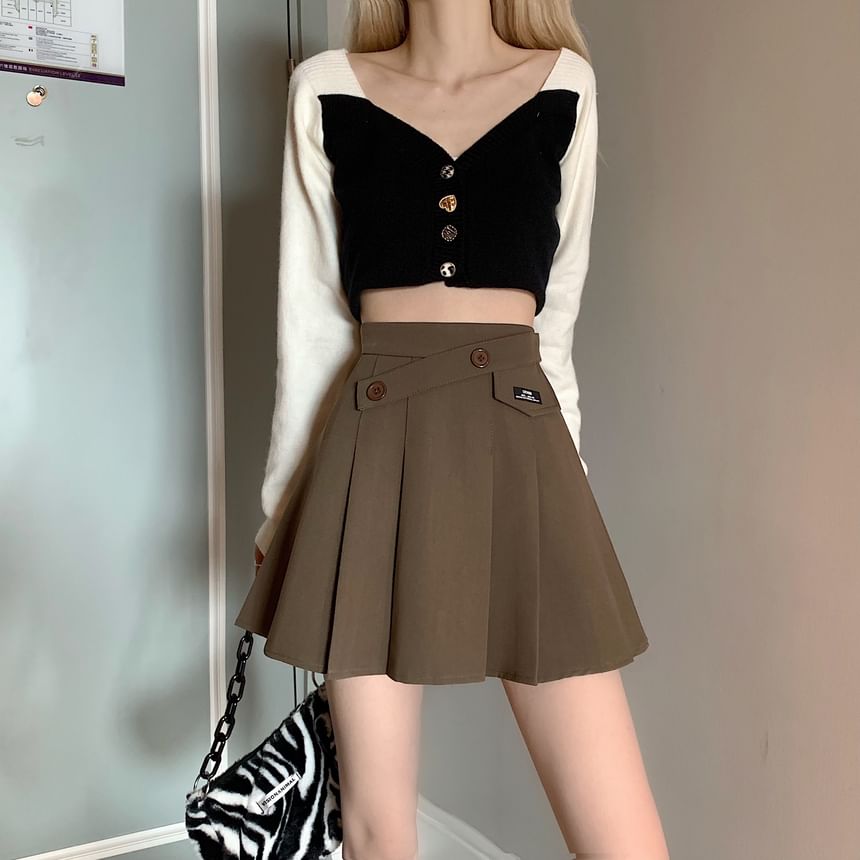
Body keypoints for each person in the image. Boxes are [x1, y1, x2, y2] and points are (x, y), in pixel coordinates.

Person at [235, 2, 670, 858]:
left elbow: (556, 325)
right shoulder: (323, 89)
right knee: (378, 829)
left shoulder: (565, 87)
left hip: (522, 448)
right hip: (369, 457)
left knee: (625, 843)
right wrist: (283, 508)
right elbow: (312, 327)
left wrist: (570, 499)